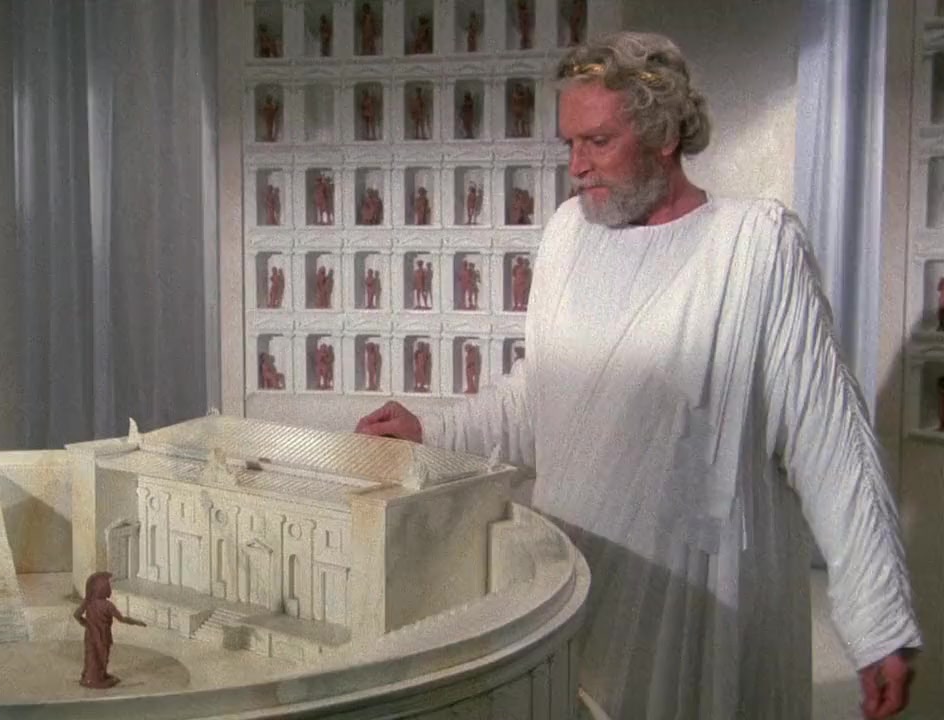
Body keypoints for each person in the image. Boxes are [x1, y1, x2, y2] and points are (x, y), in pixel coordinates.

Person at [355, 31, 920, 720]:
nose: (577, 167)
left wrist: (878, 624)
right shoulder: (568, 234)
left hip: (703, 594)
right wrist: (431, 433)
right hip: (581, 575)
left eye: (597, 142)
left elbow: (830, 440)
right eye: (570, 144)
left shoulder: (753, 245)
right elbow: (541, 396)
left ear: (664, 135)